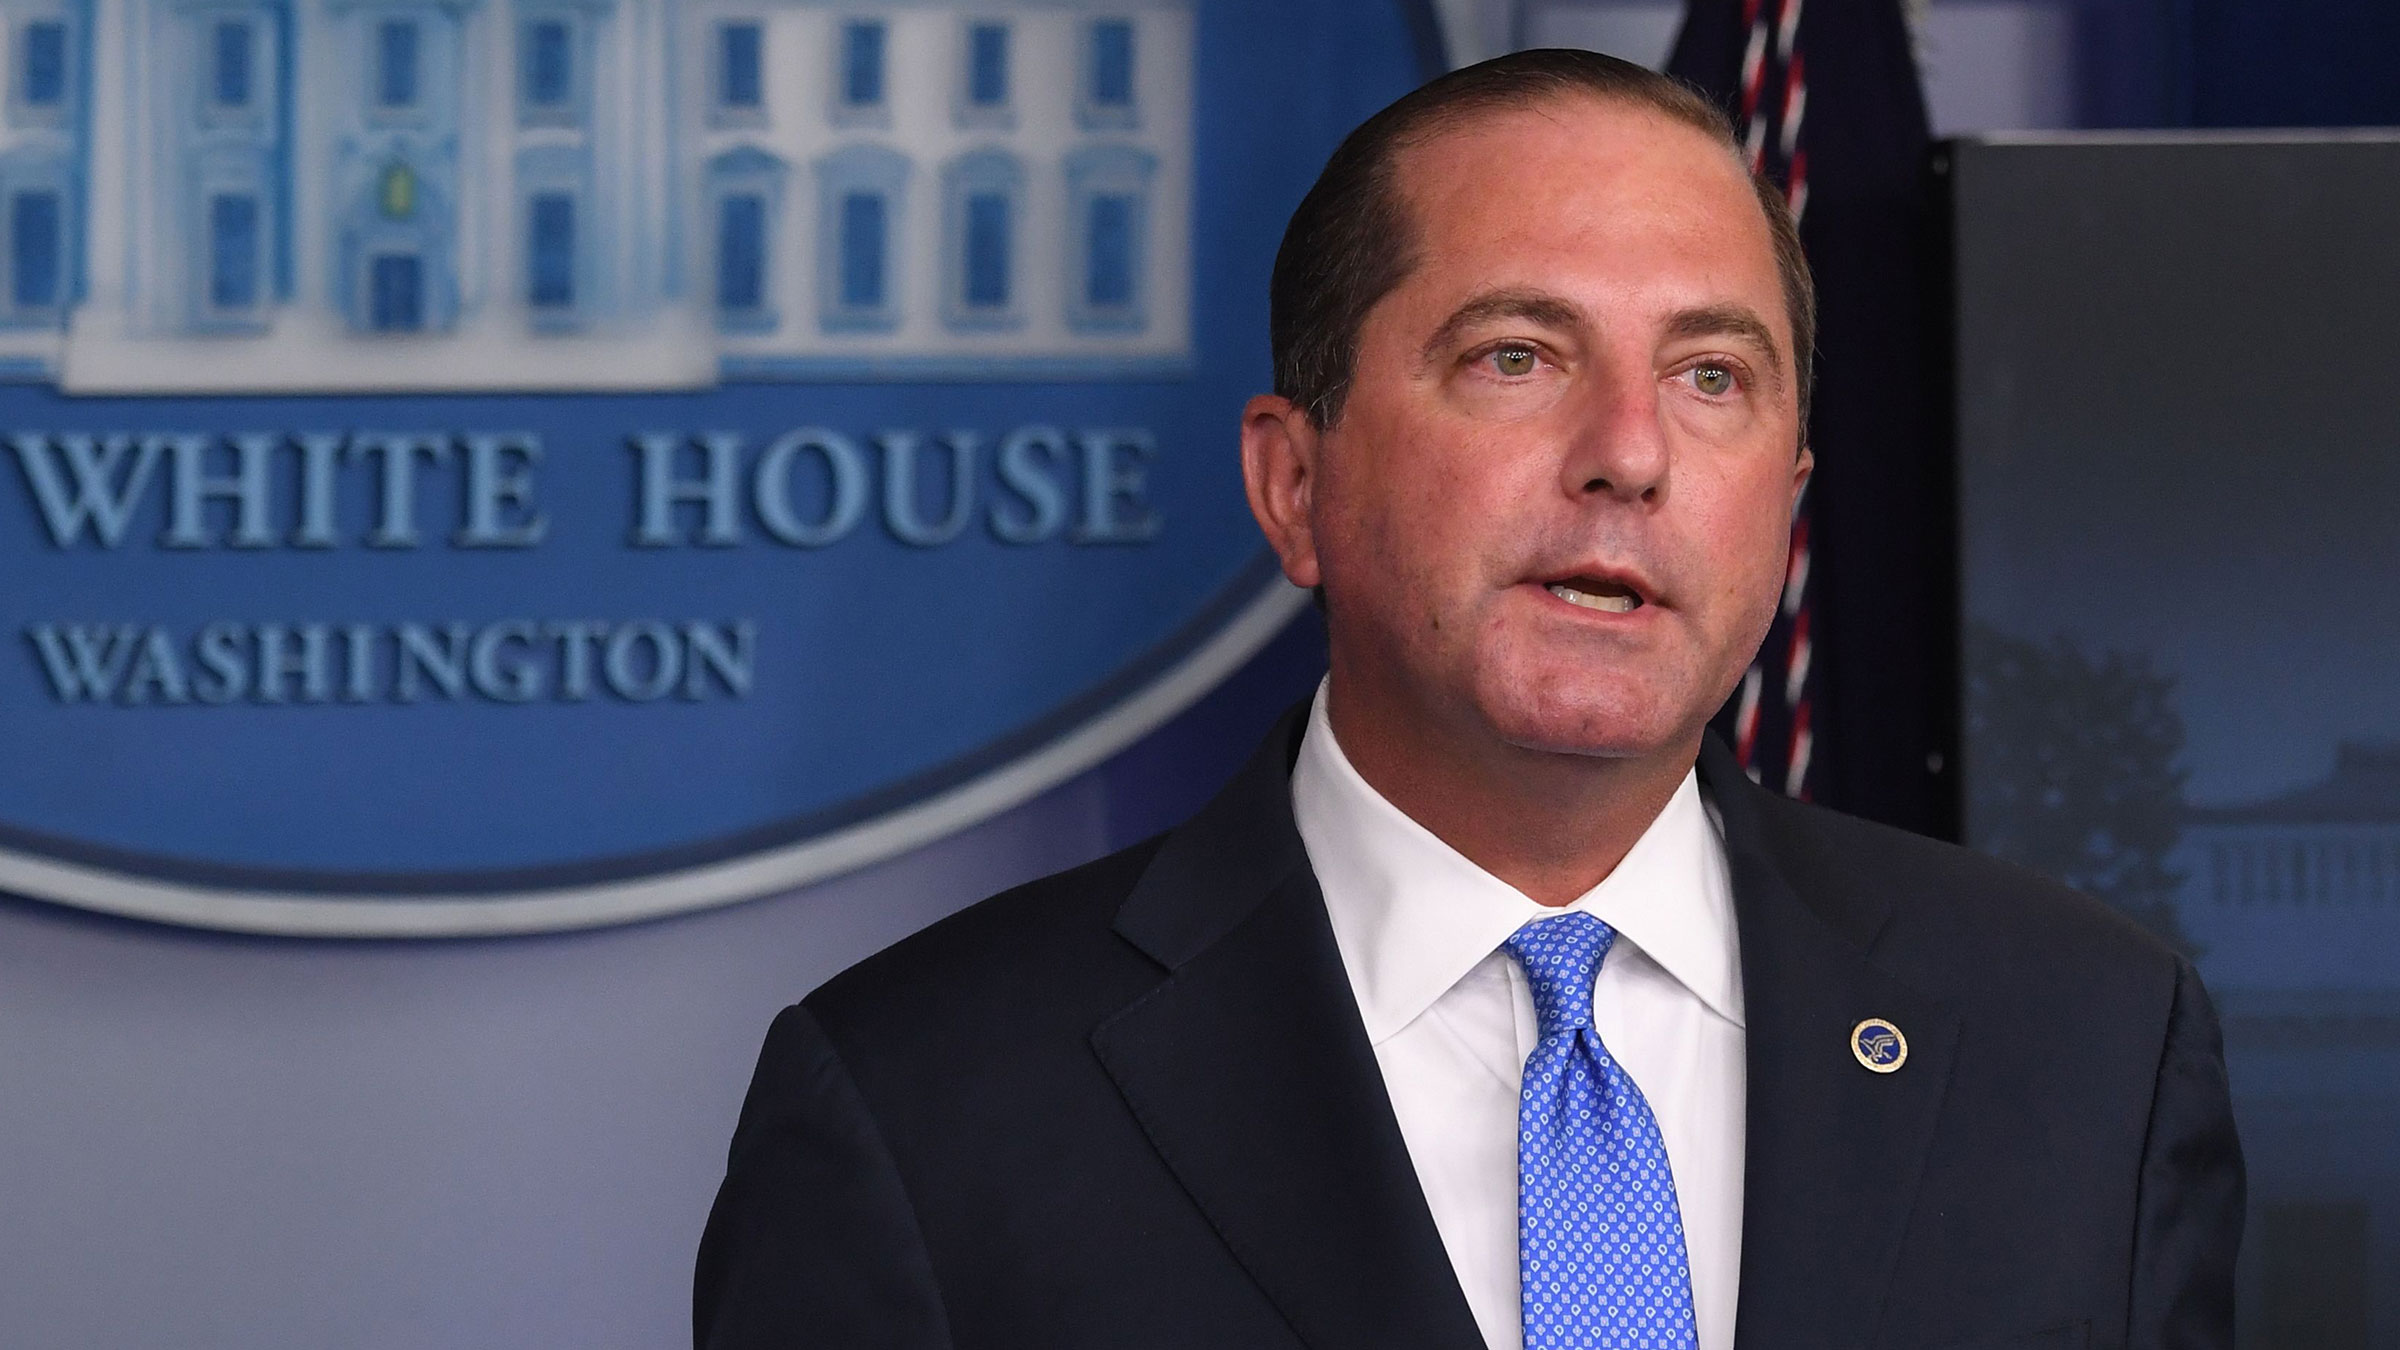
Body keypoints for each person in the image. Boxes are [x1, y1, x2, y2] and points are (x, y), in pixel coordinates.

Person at [695, 49, 2242, 1350]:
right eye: (1517, 355)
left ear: (1788, 504)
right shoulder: (921, 1104)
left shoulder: (2087, 1050)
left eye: (1713, 376)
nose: (1629, 451)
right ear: (1295, 482)